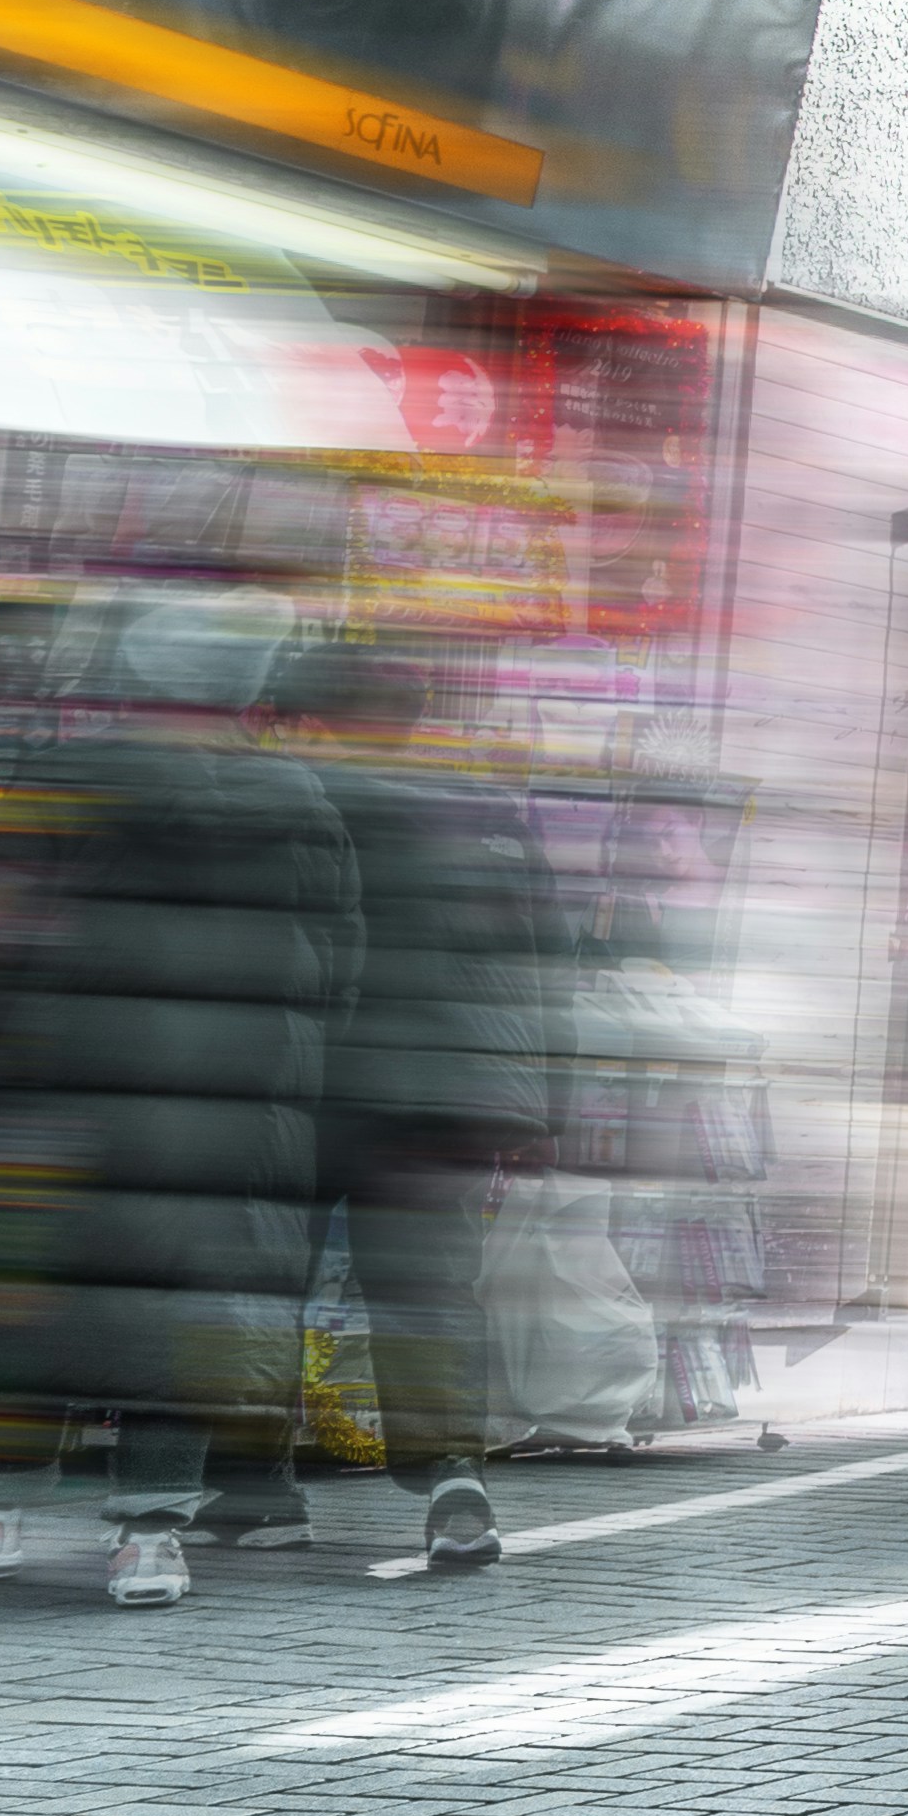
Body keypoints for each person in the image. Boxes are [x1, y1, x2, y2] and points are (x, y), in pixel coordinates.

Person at [0, 584, 356, 1605]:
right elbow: (338, 974)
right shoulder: (304, 804)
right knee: (185, 1312)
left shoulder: (71, 779)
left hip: (71, 1093)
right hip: (235, 1116)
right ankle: (150, 1536)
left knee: (37, 1294)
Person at [305, 642, 572, 1574]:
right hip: (453, 1099)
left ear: (318, 718)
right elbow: (550, 962)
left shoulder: (316, 801)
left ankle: (246, 1483)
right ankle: (455, 1478)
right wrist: (543, 1108)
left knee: (261, 1283)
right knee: (430, 1293)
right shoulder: (490, 812)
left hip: (323, 1084)